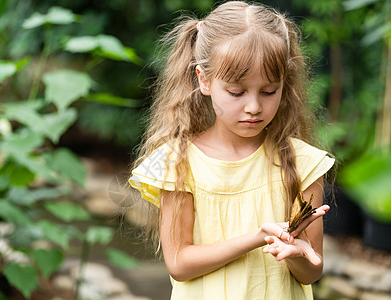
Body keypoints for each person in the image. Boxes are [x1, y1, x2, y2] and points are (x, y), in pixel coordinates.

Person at [129, 1, 335, 299]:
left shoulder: (303, 163)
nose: (253, 107)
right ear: (205, 80)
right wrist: (256, 238)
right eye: (237, 92)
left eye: (268, 91)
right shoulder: (178, 162)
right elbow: (179, 263)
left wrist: (294, 254)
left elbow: (311, 271)